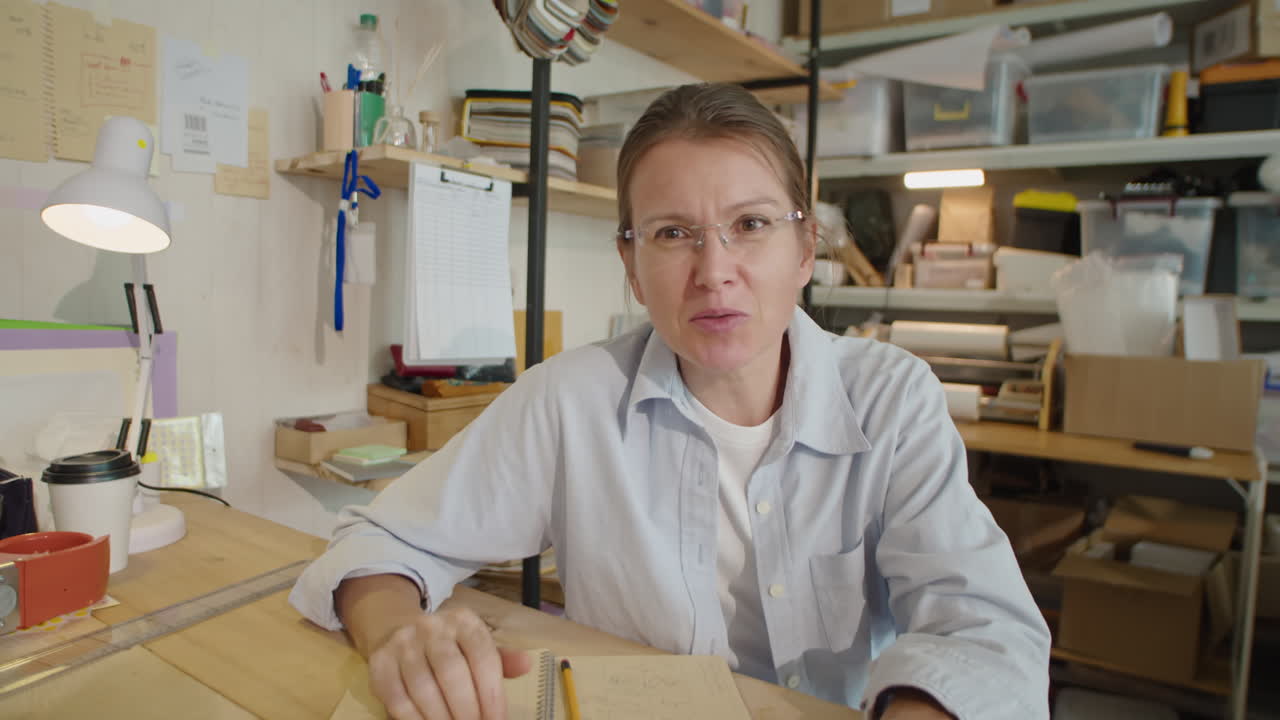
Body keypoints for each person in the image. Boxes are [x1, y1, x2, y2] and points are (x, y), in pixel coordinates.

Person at [290, 82, 1050, 720]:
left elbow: (983, 628)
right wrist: (398, 634)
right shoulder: (572, 402)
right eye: (673, 233)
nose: (714, 270)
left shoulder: (890, 399)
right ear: (631, 260)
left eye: (750, 225)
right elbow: (375, 543)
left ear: (805, 248)